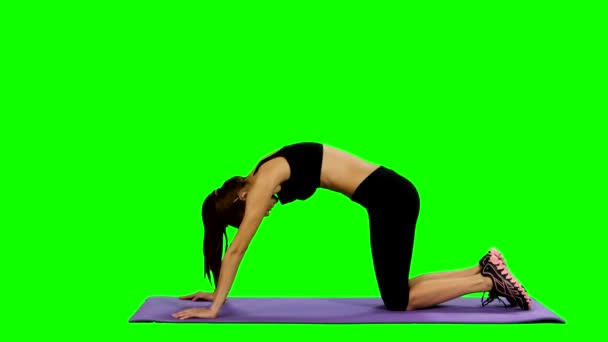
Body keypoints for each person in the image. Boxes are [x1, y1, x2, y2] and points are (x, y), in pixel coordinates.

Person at [171, 142, 531, 320]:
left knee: (398, 301)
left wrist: (215, 307)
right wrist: (217, 291)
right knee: (397, 289)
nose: (262, 214)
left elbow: (237, 249)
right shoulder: (267, 169)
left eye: (251, 211)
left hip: (392, 198)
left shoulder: (264, 179)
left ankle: (486, 282)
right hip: (389, 197)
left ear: (244, 195)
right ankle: (480, 269)